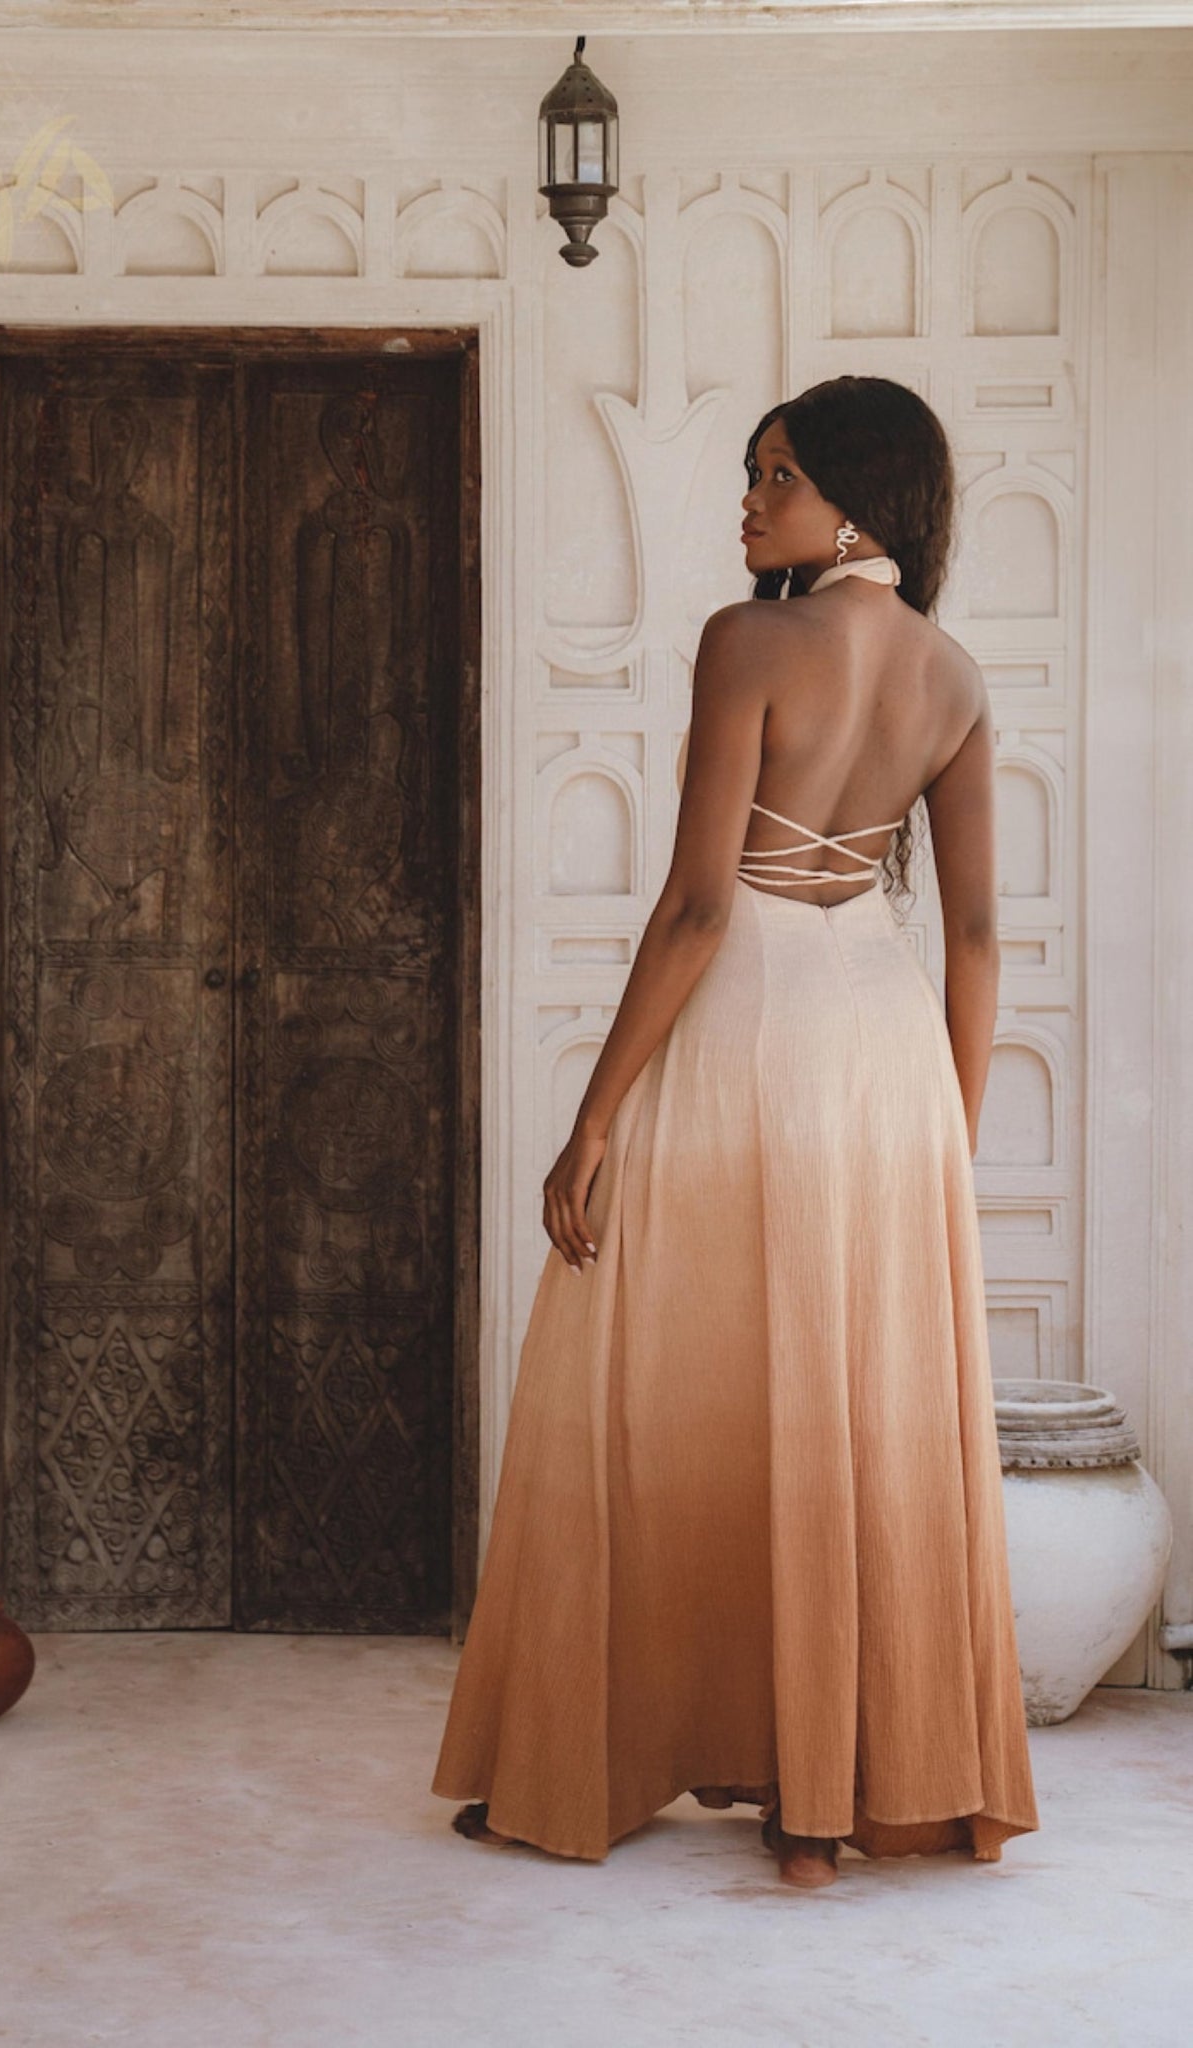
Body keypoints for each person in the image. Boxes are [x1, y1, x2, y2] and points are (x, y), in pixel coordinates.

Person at [431, 375, 1039, 1889]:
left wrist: (592, 1121)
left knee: (662, 1377)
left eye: (776, 476)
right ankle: (819, 1802)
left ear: (857, 502)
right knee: (844, 1401)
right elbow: (972, 941)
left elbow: (702, 902)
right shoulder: (953, 676)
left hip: (753, 1027)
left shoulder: (750, 641)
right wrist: (944, 1147)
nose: (749, 503)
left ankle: (612, 1754)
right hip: (884, 1046)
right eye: (754, 474)